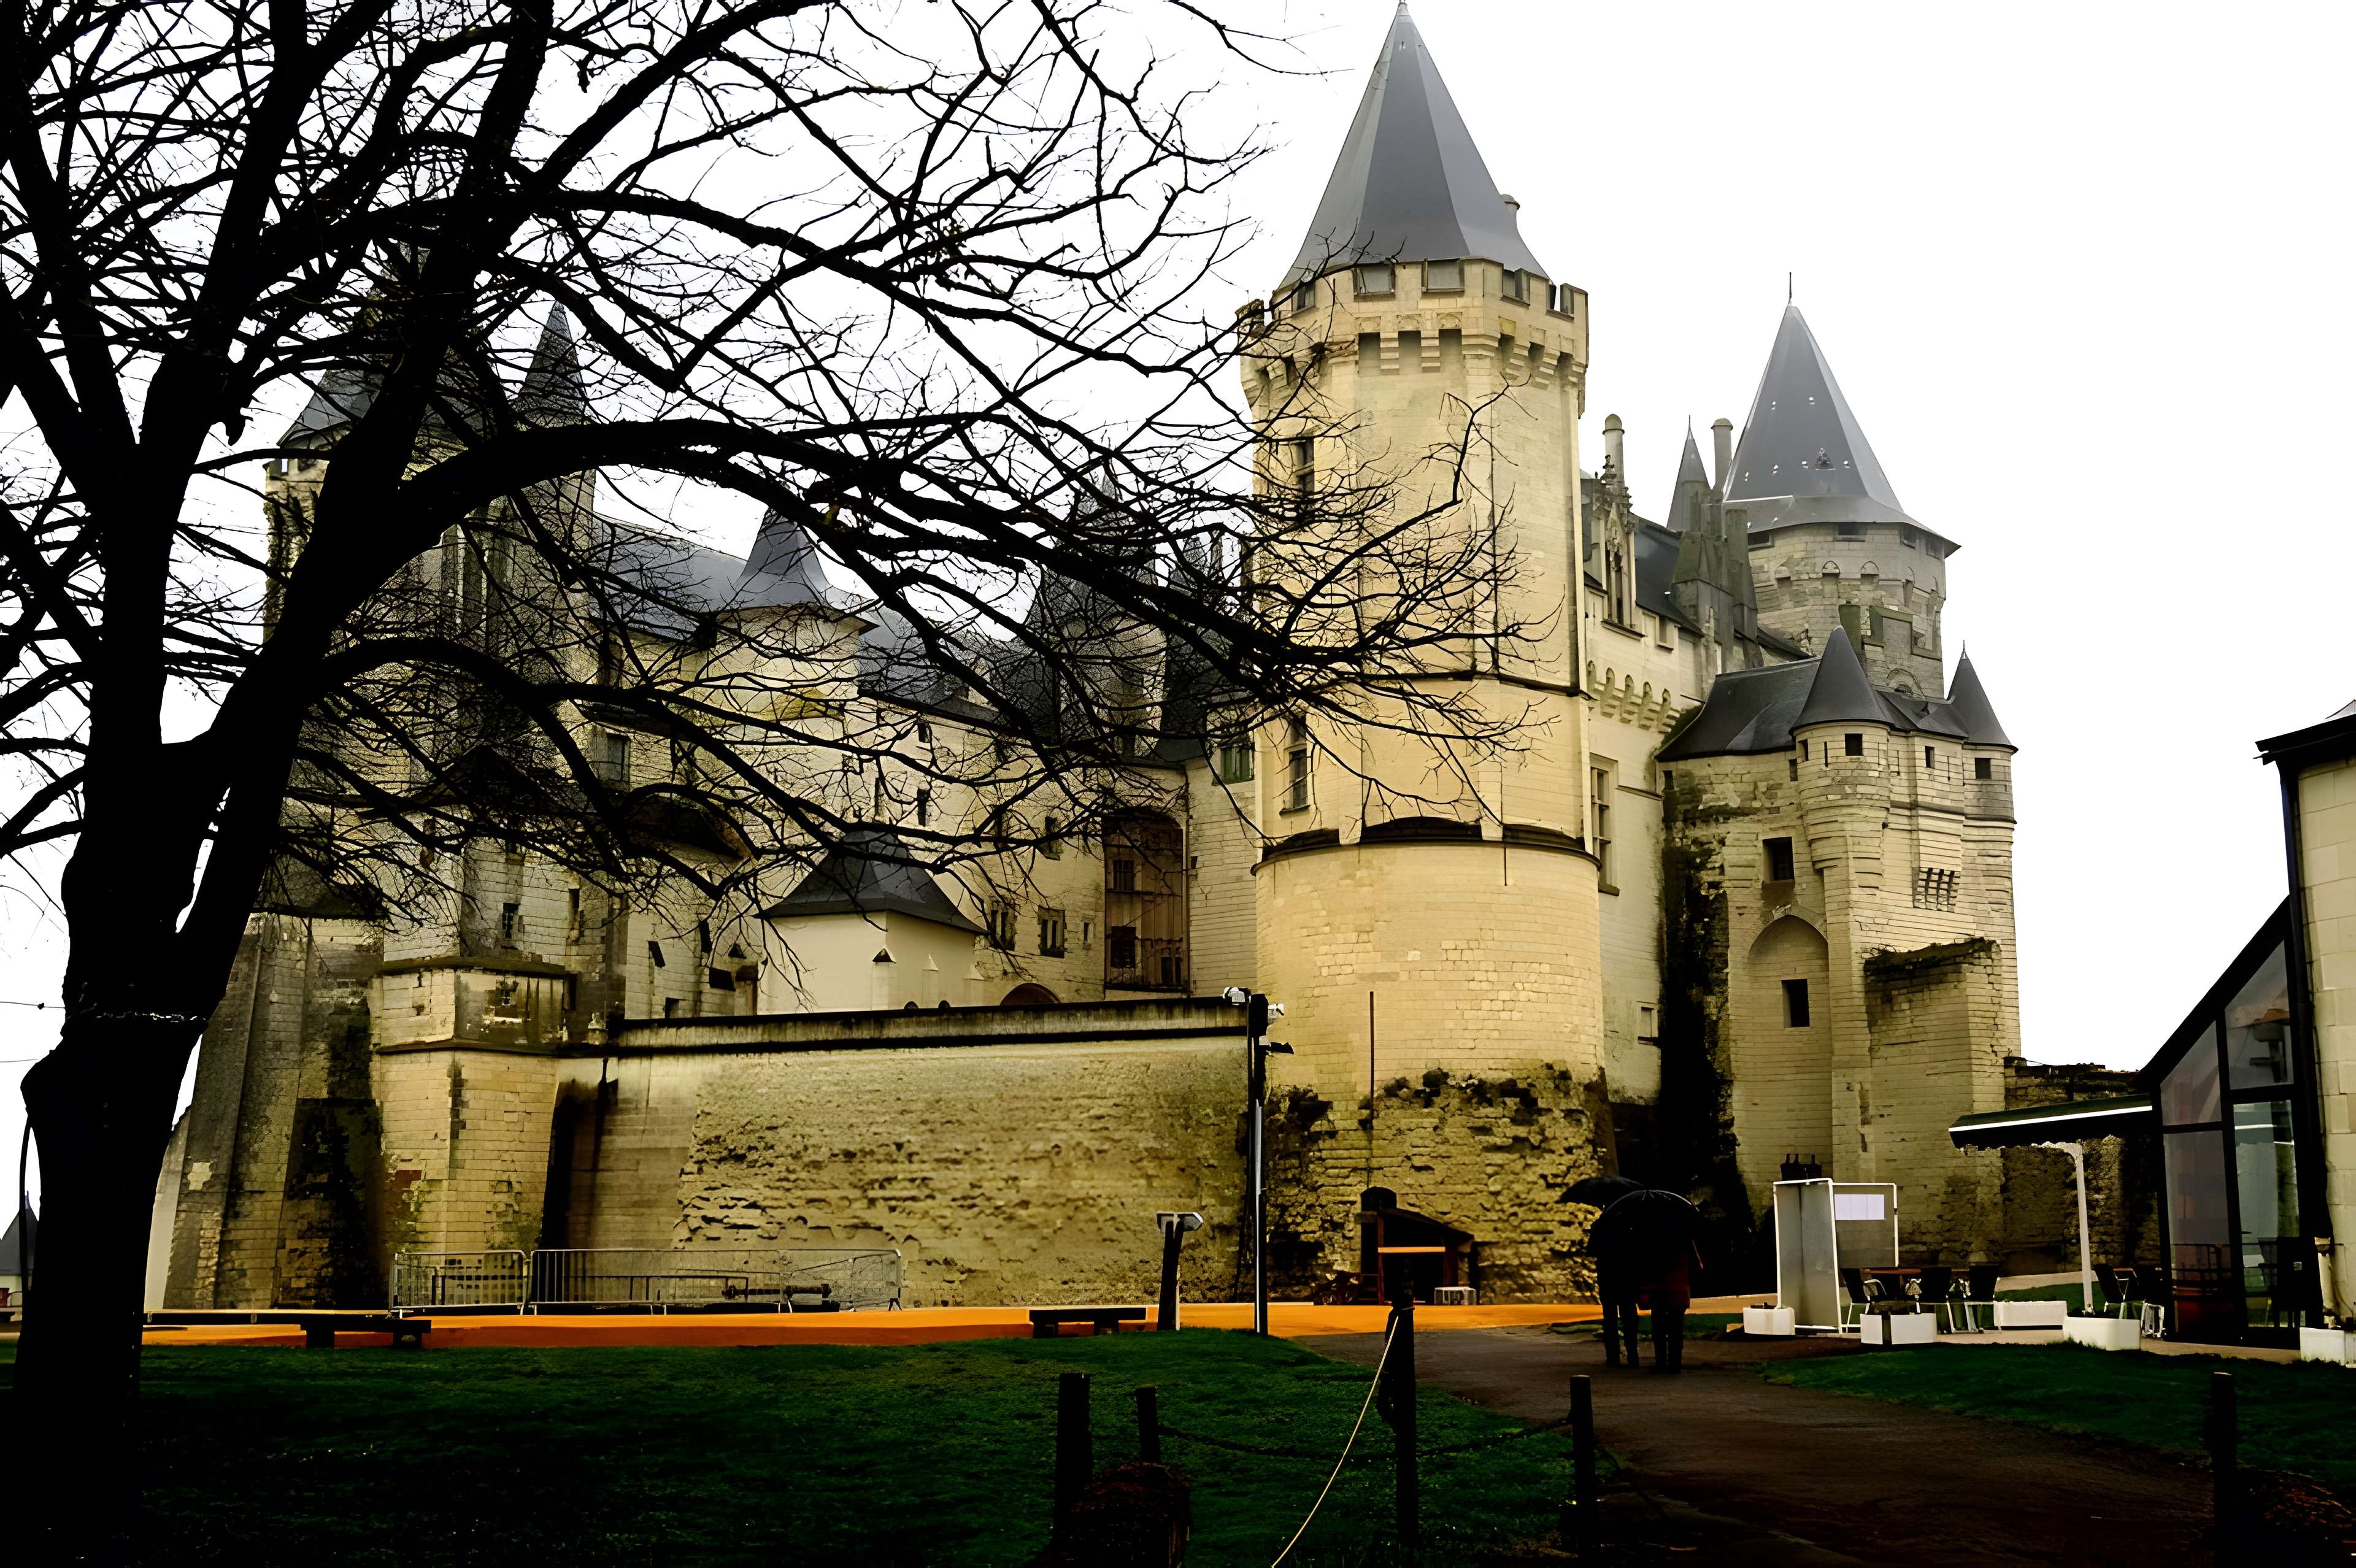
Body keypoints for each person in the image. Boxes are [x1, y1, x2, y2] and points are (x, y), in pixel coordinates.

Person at [1643, 1237, 1706, 1373]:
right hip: (1679, 1290)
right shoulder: (1686, 1241)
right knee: (1676, 1330)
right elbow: (1697, 1267)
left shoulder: (1653, 1240)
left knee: (1659, 1330)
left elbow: (1646, 1266)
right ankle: (1675, 1364)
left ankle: (1661, 1363)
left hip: (1658, 1291)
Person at [1596, 1245, 1642, 1367]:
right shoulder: (1629, 1234)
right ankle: (1633, 1356)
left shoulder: (1602, 1233)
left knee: (1610, 1320)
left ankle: (1613, 1357)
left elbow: (1592, 1250)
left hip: (1608, 1278)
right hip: (1627, 1279)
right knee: (1629, 1319)